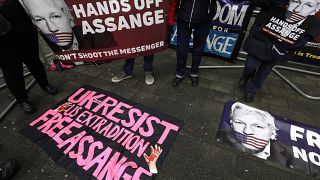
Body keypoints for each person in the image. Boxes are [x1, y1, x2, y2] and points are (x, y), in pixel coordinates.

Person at [239, 0, 320, 102]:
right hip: (260, 39)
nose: (298, 9)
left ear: (317, 7)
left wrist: (290, 47)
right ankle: (246, 74)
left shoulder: (312, 21)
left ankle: (251, 90)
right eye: (296, 1)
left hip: (281, 48)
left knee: (265, 70)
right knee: (250, 65)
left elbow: (308, 35)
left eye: (308, 5)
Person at [218, 102, 320, 177]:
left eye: (258, 126)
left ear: (273, 131)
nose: (247, 131)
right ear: (231, 123)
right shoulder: (224, 135)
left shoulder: (300, 160)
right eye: (239, 123)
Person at [0, 0, 58, 114]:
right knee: (11, 68)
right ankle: (22, 100)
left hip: (21, 20)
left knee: (33, 58)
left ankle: (44, 83)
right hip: (1, 35)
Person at [19, 0, 117, 52]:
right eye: (39, 19)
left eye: (55, 16)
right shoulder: (54, 45)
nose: (52, 28)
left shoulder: (101, 38)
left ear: (69, 16)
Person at [170, 0, 215, 86]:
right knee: (181, 48)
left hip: (204, 20)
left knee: (198, 48)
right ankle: (180, 73)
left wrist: (210, 13)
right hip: (183, 17)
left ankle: (194, 72)